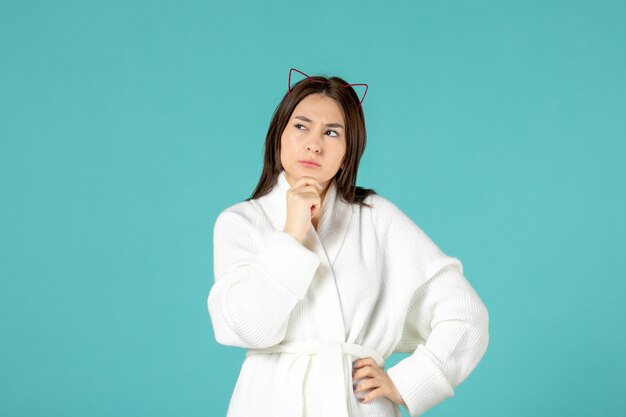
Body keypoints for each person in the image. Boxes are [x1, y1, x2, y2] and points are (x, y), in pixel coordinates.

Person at [207, 68, 489, 417]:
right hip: (268, 403)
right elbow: (251, 328)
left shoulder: (377, 218)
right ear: (278, 133)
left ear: (348, 150)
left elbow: (465, 313)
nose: (314, 143)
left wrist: (413, 380)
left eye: (331, 132)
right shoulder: (241, 223)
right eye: (301, 126)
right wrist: (292, 235)